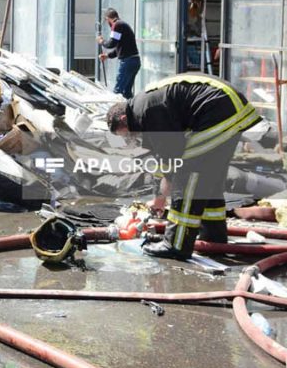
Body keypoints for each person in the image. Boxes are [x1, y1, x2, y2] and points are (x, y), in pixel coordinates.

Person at [106, 74, 261, 260]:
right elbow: (164, 157)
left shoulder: (147, 111)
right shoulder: (143, 107)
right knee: (209, 179)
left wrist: (160, 198)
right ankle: (214, 239)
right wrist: (160, 192)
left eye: (126, 135)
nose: (130, 139)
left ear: (123, 118)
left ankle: (176, 244)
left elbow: (171, 159)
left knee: (188, 179)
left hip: (216, 112)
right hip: (228, 109)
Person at [97, 8, 140, 98]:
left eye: (106, 20)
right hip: (134, 60)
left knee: (118, 91)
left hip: (128, 61)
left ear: (108, 18)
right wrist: (107, 55)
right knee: (126, 91)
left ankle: (116, 111)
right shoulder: (122, 25)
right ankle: (129, 110)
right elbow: (119, 48)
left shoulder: (117, 25)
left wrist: (101, 41)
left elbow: (111, 43)